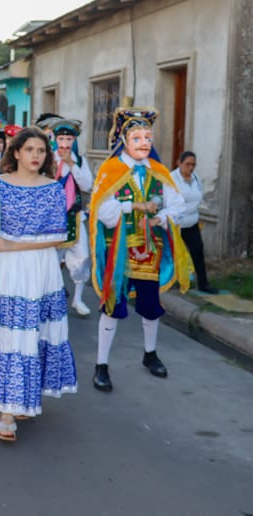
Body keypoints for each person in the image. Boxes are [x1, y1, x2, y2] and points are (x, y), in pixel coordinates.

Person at [0, 126, 77, 442]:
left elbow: (59, 236)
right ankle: (7, 411)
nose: (35, 155)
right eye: (29, 149)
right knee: (9, 334)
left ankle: (23, 399)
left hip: (40, 267)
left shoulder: (53, 188)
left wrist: (14, 245)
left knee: (35, 333)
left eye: (41, 151)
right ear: (16, 152)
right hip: (8, 269)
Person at [90, 107, 190, 392]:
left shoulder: (158, 171)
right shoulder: (110, 170)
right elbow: (101, 210)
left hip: (150, 250)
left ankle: (150, 353)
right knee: (113, 306)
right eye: (137, 138)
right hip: (118, 251)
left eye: (148, 137)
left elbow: (178, 205)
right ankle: (101, 365)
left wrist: (162, 218)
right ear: (124, 140)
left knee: (150, 306)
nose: (144, 143)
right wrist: (132, 206)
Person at [47, 117, 95, 316]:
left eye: (69, 139)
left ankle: (78, 298)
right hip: (52, 217)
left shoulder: (80, 160)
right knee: (52, 259)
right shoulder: (47, 158)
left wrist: (72, 165)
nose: (65, 143)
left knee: (82, 256)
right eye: (61, 139)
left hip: (75, 215)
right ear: (55, 140)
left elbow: (87, 185)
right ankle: (53, 296)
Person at [172, 151, 217, 294]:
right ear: (179, 163)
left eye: (193, 165)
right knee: (172, 254)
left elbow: (199, 197)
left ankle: (203, 284)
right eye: (187, 164)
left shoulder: (195, 178)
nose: (190, 168)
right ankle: (169, 282)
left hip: (191, 222)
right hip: (176, 224)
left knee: (197, 251)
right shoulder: (171, 179)